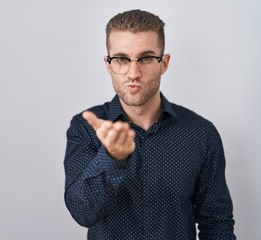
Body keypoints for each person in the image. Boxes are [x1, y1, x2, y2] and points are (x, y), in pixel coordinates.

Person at [63, 9, 236, 239]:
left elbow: (216, 223)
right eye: (122, 59)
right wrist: (112, 158)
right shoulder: (85, 128)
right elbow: (82, 212)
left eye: (145, 58)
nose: (133, 73)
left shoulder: (201, 133)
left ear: (164, 63)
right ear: (108, 64)